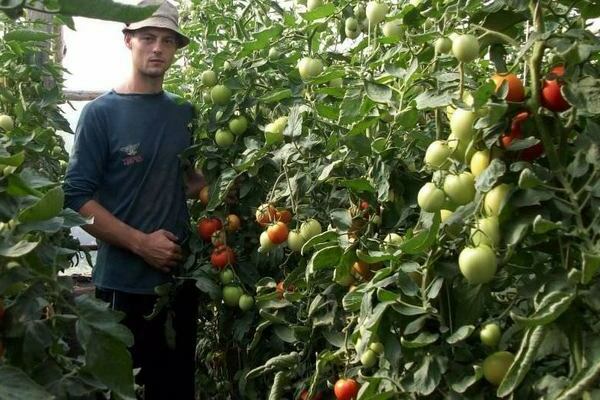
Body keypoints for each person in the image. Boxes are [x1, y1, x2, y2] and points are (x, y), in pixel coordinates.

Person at [63, 1, 203, 399]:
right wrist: (142, 244)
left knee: (175, 389)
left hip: (178, 284)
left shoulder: (184, 112)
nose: (157, 47)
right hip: (123, 285)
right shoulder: (100, 114)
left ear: (176, 49)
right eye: (148, 37)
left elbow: (186, 181)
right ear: (128, 41)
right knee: (124, 390)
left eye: (167, 40)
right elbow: (76, 196)